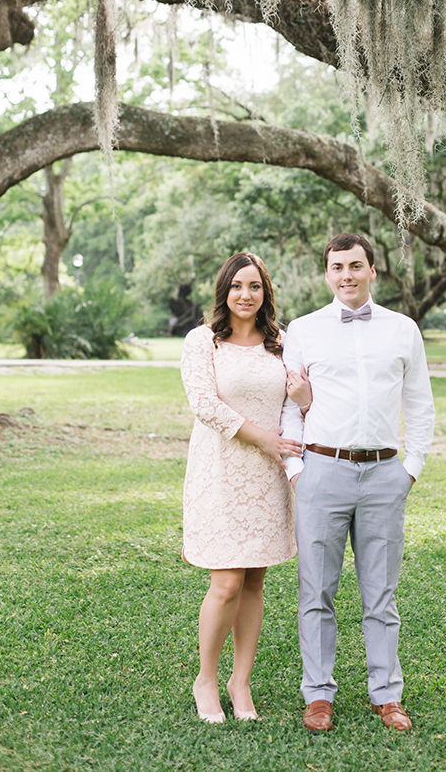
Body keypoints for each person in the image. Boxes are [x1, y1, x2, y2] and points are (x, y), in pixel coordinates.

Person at [281, 232, 436, 734]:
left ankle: (387, 695)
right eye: (336, 267)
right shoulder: (303, 330)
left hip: (384, 475)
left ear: (373, 270)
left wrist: (409, 467)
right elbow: (291, 404)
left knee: (381, 593)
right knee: (315, 592)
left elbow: (420, 402)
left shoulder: (403, 329)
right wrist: (297, 472)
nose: (346, 275)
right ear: (326, 275)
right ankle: (318, 695)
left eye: (355, 265)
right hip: (321, 472)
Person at [180, 252, 310, 723]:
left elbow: (299, 398)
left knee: (254, 580)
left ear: (265, 293)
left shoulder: (280, 342)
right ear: (224, 291)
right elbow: (204, 405)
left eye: (254, 286)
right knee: (227, 580)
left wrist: (301, 407)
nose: (245, 295)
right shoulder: (202, 342)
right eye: (237, 286)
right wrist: (264, 438)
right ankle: (206, 680)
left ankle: (241, 682)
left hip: (269, 475)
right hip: (221, 471)